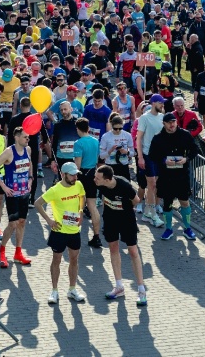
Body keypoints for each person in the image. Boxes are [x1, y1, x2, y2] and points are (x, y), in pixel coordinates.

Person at [34, 162, 86, 304]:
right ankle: (54, 291)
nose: (75, 177)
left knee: (74, 259)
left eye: (76, 175)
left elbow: (82, 196)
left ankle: (72, 289)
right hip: (59, 232)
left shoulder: (78, 185)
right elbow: (37, 203)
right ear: (63, 175)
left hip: (74, 231)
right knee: (56, 260)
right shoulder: (55, 190)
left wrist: (81, 210)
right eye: (72, 175)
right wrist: (49, 221)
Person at [94, 165, 147, 306]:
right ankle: (119, 287)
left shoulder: (124, 185)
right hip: (110, 219)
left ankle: (141, 290)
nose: (95, 180)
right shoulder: (100, 185)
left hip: (126, 220)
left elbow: (136, 200)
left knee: (133, 251)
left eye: (97, 178)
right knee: (113, 248)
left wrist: (124, 207)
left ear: (107, 179)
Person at [147, 112, 200, 240]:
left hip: (182, 175)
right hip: (166, 176)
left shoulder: (185, 134)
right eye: (169, 122)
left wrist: (186, 159)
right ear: (164, 124)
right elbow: (152, 155)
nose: (172, 124)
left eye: (174, 122)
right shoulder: (158, 137)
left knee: (184, 202)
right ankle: (168, 229)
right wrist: (164, 160)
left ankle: (187, 228)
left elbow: (195, 150)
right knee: (167, 203)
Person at [0, 126, 34, 268]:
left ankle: (18, 253)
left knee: (22, 222)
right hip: (12, 194)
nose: (28, 139)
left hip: (24, 193)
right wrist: (3, 186)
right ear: (17, 137)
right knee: (13, 224)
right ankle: (2, 250)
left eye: (28, 137)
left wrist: (30, 178)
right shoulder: (9, 152)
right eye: (25, 137)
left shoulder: (28, 149)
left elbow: (30, 163)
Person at [135, 95, 166, 228]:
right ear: (153, 103)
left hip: (160, 155)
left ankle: (147, 213)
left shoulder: (162, 117)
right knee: (151, 183)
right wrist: (140, 157)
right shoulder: (144, 118)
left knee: (154, 185)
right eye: (160, 102)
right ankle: (153, 214)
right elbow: (138, 138)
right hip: (148, 155)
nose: (162, 105)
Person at [73, 117, 103, 248]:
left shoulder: (78, 143)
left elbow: (77, 165)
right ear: (88, 128)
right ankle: (96, 236)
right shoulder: (95, 141)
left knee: (76, 206)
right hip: (92, 175)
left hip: (82, 176)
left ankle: (73, 234)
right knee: (92, 206)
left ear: (78, 129)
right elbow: (97, 158)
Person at [100, 115, 135, 181]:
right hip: (110, 166)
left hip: (123, 165)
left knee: (125, 186)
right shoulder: (105, 136)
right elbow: (101, 156)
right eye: (115, 129)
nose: (118, 130)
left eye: (120, 128)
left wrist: (126, 152)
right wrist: (110, 151)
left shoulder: (127, 135)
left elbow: (133, 153)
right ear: (111, 126)